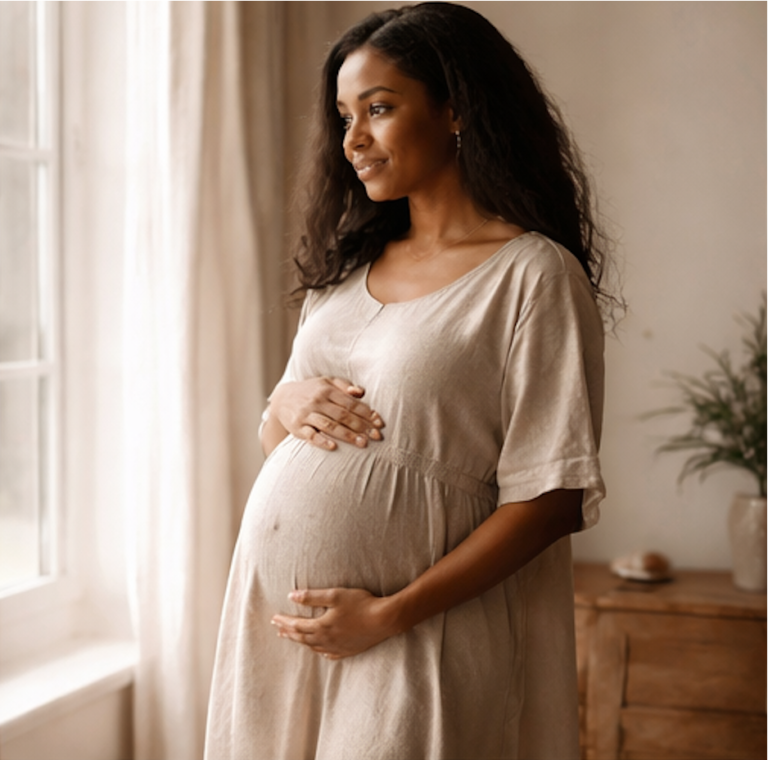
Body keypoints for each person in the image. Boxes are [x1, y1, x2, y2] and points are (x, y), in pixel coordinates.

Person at [205, 4, 612, 759]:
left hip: (417, 633)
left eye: (380, 108)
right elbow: (282, 441)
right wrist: (284, 401)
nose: (352, 138)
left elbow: (552, 497)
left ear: (456, 107)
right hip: (280, 630)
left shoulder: (530, 277)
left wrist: (390, 614)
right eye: (344, 115)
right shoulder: (344, 274)